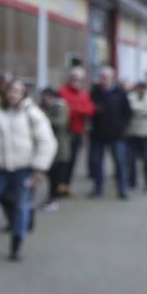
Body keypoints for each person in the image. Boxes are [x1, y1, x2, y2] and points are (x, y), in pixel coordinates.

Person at [0, 78, 57, 261]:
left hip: (23, 168)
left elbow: (46, 141)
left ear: (23, 94)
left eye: (17, 91)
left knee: (21, 206)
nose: (13, 95)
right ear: (4, 92)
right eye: (10, 91)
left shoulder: (31, 113)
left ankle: (16, 245)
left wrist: (40, 167)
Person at [87, 65, 132, 199]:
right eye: (101, 77)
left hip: (116, 135)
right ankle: (98, 188)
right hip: (98, 135)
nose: (103, 80)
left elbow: (127, 113)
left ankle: (122, 189)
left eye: (105, 78)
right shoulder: (95, 92)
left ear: (112, 78)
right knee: (97, 163)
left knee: (119, 163)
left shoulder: (120, 93)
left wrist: (122, 127)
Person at [56, 65, 94, 197]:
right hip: (62, 133)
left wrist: (74, 108)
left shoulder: (84, 94)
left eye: (80, 79)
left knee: (72, 161)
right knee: (61, 161)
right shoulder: (61, 91)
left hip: (77, 132)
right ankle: (57, 186)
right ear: (70, 78)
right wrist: (76, 109)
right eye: (75, 78)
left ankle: (66, 186)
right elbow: (61, 111)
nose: (77, 81)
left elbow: (89, 110)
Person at [124, 78, 147, 193]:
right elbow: (128, 109)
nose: (141, 89)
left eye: (144, 86)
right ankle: (132, 182)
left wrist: (136, 110)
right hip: (133, 132)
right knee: (131, 159)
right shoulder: (131, 96)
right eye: (140, 86)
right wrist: (141, 110)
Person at [39, 86, 71, 211]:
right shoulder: (47, 107)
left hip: (58, 146)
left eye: (45, 96)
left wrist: (43, 117)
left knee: (55, 175)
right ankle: (51, 197)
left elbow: (61, 122)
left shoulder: (58, 106)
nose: (43, 98)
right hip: (49, 145)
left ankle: (53, 198)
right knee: (50, 174)